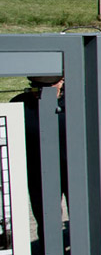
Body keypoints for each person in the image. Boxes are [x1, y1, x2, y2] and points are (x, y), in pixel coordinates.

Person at [11, 76, 68, 242]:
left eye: (48, 86)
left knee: (82, 216)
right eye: (36, 86)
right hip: (38, 171)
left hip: (74, 170)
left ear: (61, 81)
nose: (40, 92)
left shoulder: (77, 101)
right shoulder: (20, 104)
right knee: (46, 220)